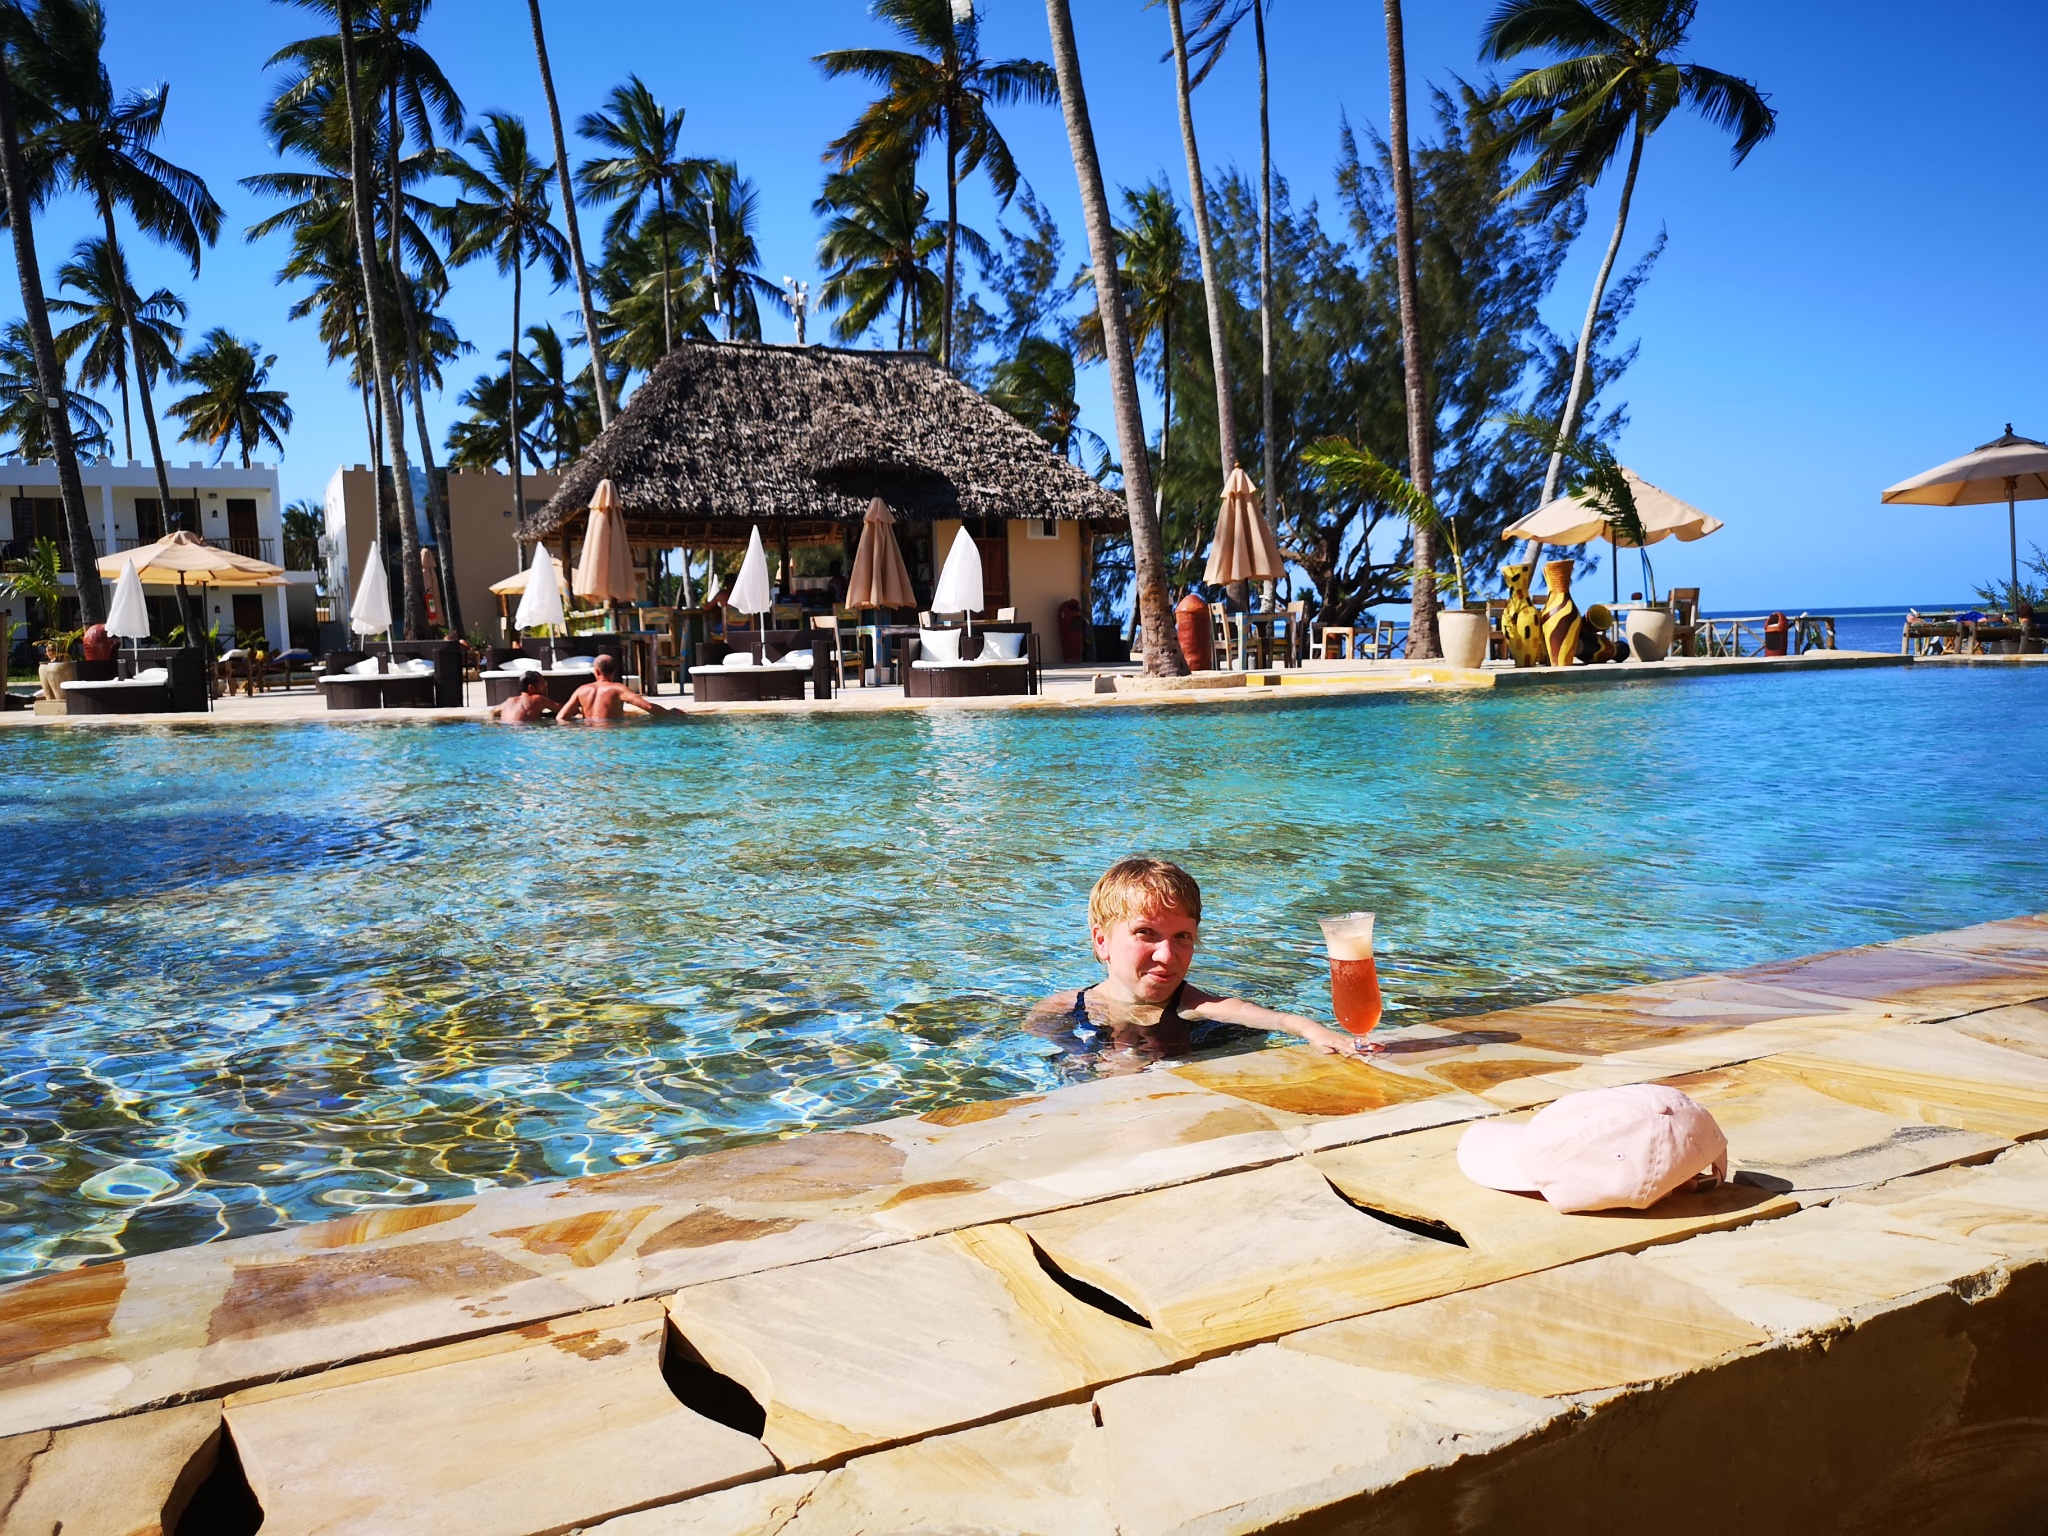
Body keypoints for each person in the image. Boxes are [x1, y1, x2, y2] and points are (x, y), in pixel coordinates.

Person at [1025, 857, 1366, 1077]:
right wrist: (1084, 1056)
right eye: (1146, 933)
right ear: (1102, 942)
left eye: (1182, 937)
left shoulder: (1195, 1005)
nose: (1167, 956)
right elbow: (1036, 1045)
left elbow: (1268, 1018)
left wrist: (1314, 1031)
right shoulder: (1065, 1008)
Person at [556, 653, 675, 721]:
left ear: (596, 671)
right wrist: (670, 713)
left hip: (589, 735)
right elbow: (648, 706)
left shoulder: (581, 690)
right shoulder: (618, 689)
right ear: (614, 671)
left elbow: (561, 718)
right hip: (611, 733)